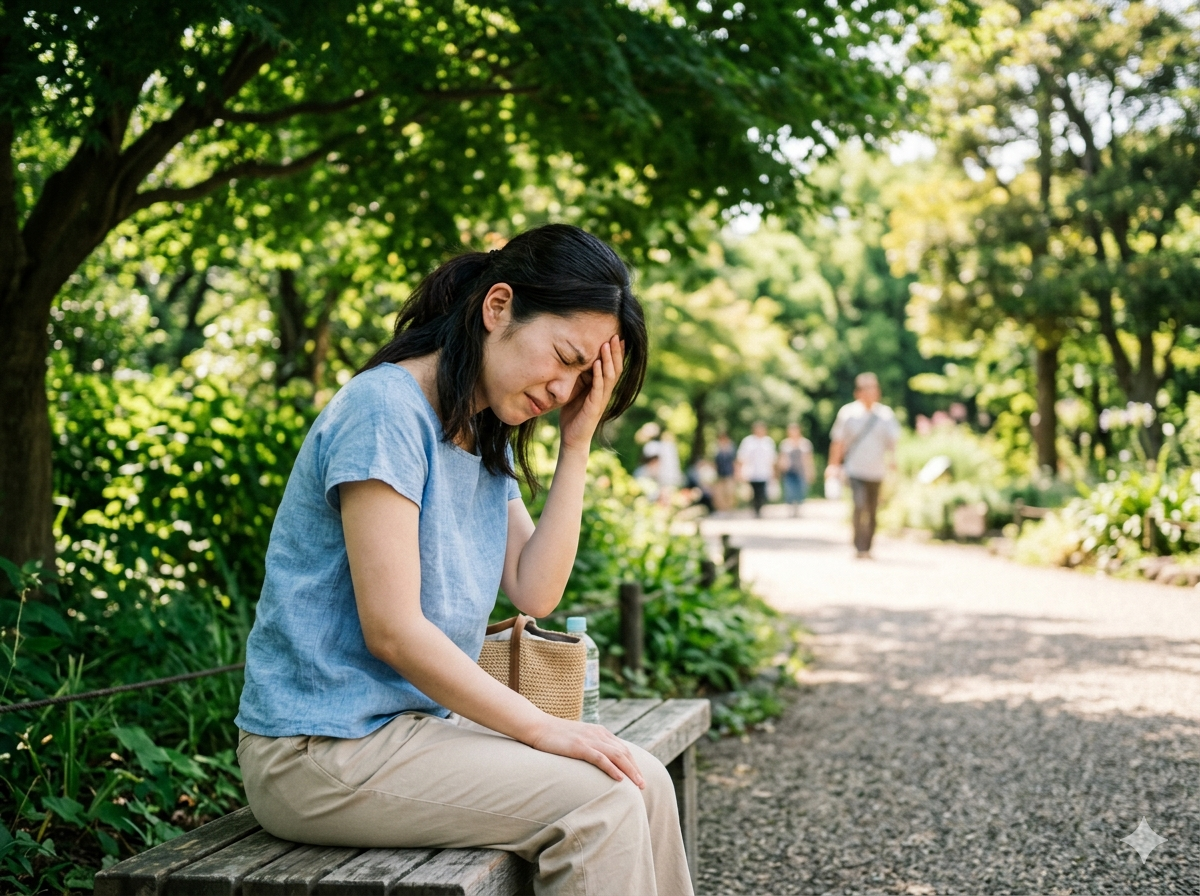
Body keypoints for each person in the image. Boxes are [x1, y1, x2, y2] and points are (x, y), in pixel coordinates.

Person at [234, 225, 693, 896]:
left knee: (640, 775)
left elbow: (535, 591)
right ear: (497, 306)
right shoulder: (385, 411)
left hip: (411, 737)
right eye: (563, 357)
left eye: (582, 375)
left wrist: (577, 444)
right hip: (318, 753)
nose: (565, 388)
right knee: (600, 801)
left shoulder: (479, 436)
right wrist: (541, 729)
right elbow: (392, 629)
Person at [827, 372, 900, 558]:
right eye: (867, 389)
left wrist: (893, 461)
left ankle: (868, 546)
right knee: (859, 505)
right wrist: (833, 465)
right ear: (858, 392)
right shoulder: (848, 413)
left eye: (874, 388)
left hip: (877, 471)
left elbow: (892, 442)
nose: (871, 392)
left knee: (873, 510)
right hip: (855, 469)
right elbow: (838, 442)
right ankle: (859, 546)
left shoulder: (885, 415)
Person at [736, 421, 776, 518]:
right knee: (752, 493)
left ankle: (760, 509)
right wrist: (739, 472)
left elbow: (772, 459)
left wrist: (774, 473)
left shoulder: (768, 442)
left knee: (762, 493)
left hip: (764, 472)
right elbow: (741, 458)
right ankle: (755, 510)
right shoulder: (748, 441)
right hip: (751, 472)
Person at [777, 422, 816, 517]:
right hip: (789, 471)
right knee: (789, 491)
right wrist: (780, 469)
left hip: (801, 471)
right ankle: (791, 509)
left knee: (801, 491)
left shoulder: (805, 443)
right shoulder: (785, 444)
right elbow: (782, 458)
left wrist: (810, 471)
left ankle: (798, 509)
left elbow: (809, 459)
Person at [712, 432, 737, 512]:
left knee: (730, 491)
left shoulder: (731, 448)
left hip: (729, 473)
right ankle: (722, 509)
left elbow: (734, 461)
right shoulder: (716, 449)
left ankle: (730, 508)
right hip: (720, 473)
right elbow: (715, 462)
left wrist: (736, 473)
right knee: (720, 492)